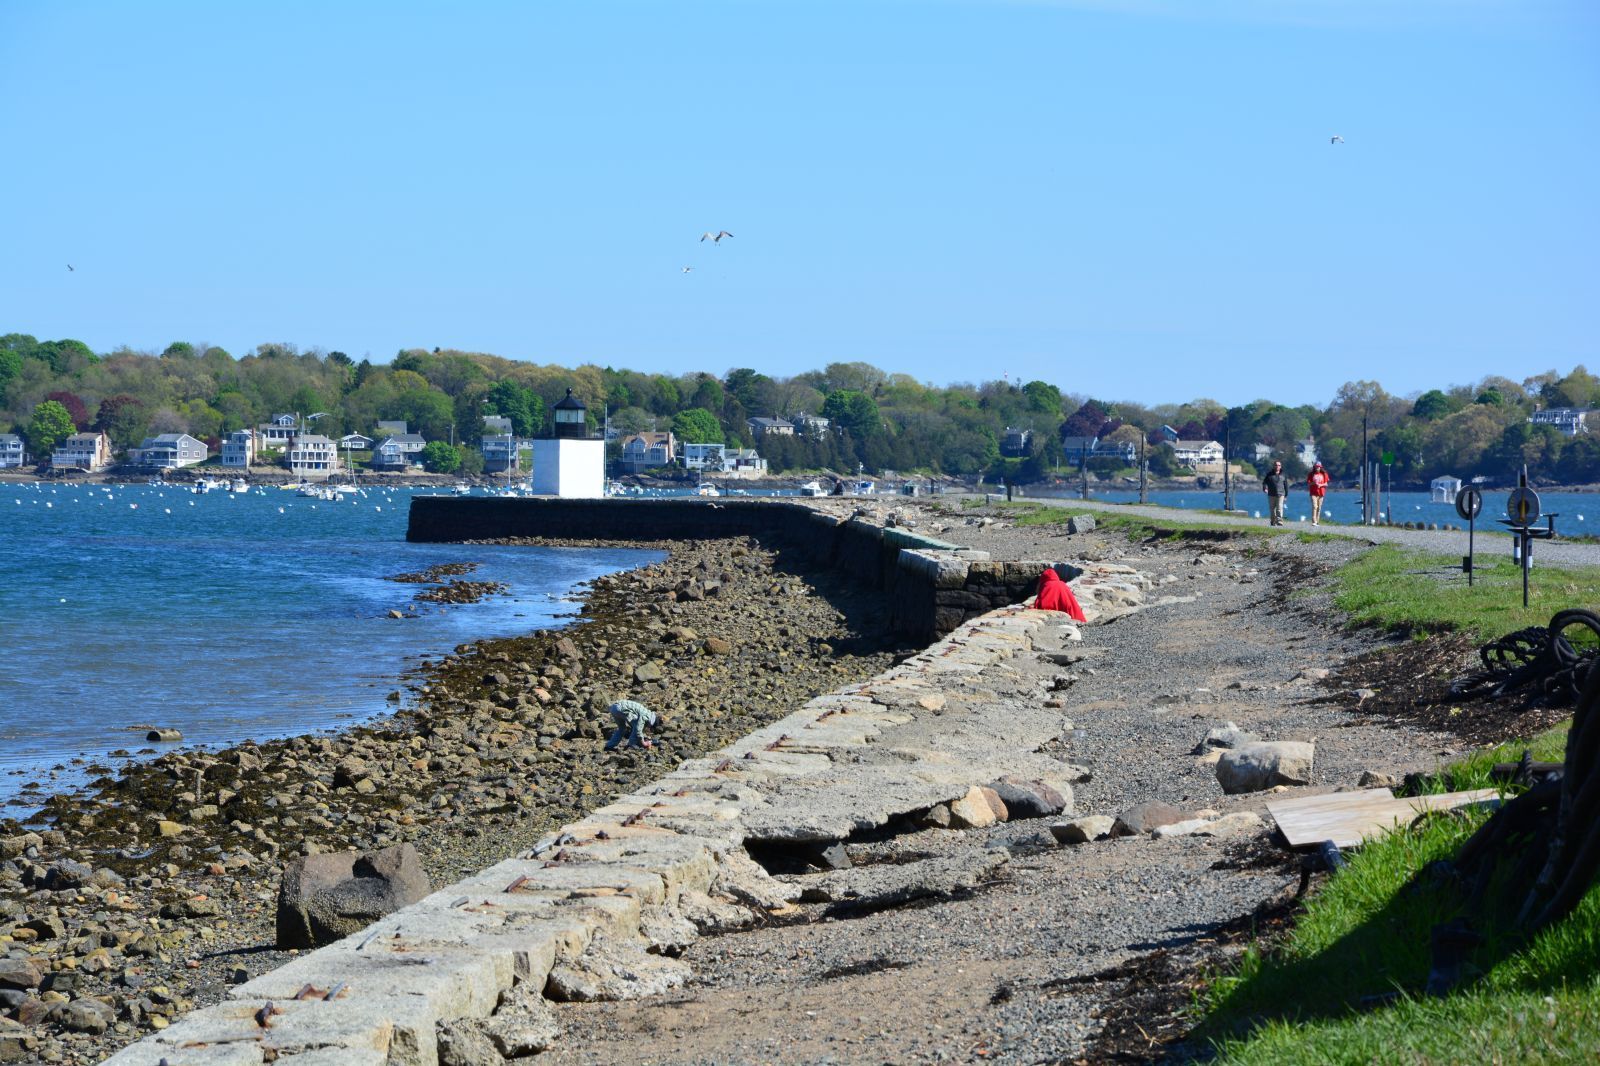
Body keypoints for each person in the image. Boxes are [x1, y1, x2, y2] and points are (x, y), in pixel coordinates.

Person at [1262, 460, 1290, 526]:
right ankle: (1273, 521)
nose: (1277, 466)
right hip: (1271, 494)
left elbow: (1286, 485)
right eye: (1276, 465)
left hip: (1281, 494)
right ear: (1274, 466)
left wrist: (1286, 495)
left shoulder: (1283, 475)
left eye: (1279, 465)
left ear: (1280, 466)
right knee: (1272, 509)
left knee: (1279, 508)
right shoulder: (1269, 474)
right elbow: (1264, 482)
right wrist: (1265, 488)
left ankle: (1279, 521)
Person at [1306, 461, 1329, 525]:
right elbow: (1308, 483)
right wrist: (1314, 483)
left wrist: (1321, 485)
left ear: (1320, 467)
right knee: (1314, 506)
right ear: (1314, 467)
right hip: (1313, 493)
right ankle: (1314, 521)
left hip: (1321, 493)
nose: (1317, 468)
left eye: (1318, 467)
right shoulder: (1311, 474)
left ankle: (1317, 521)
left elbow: (1326, 484)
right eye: (1316, 467)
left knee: (1319, 507)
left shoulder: (1324, 474)